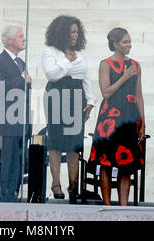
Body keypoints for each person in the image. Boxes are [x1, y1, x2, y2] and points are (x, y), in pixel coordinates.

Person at [88, 27, 145, 206]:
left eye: (129, 41)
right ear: (115, 43)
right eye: (125, 42)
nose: (129, 45)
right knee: (106, 162)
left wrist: (142, 122)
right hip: (110, 119)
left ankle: (124, 206)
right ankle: (107, 205)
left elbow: (138, 94)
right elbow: (106, 93)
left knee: (126, 164)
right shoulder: (106, 64)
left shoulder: (136, 65)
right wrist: (123, 76)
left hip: (129, 117)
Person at [42, 15, 95, 203]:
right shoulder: (50, 52)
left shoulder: (79, 53)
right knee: (55, 141)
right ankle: (56, 183)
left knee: (74, 142)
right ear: (62, 33)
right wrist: (68, 61)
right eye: (72, 32)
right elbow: (52, 74)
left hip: (77, 96)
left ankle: (73, 185)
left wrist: (90, 100)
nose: (75, 35)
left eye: (77, 32)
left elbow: (84, 76)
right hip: (56, 94)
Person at [0, 25, 32, 202]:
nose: (24, 39)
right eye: (20, 36)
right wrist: (21, 79)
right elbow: (0, 88)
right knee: (7, 161)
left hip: (20, 122)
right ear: (9, 40)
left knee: (18, 162)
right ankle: (4, 195)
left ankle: (13, 193)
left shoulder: (22, 63)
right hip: (6, 121)